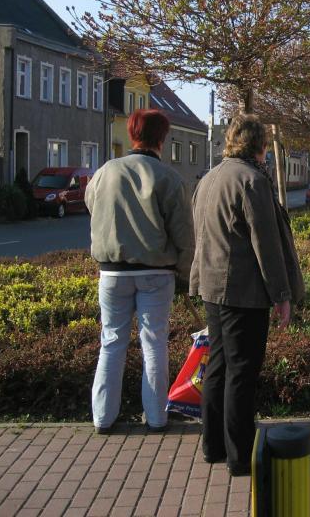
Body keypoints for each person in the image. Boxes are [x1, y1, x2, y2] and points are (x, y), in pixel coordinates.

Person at [189, 114, 305, 477]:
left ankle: (213, 445)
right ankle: (240, 455)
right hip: (243, 291)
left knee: (219, 366)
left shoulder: (209, 178)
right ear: (260, 145)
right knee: (242, 371)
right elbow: (265, 244)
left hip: (211, 288)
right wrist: (282, 294)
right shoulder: (251, 181)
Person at [86, 108, 194, 435]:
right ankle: (157, 418)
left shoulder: (105, 172)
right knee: (154, 344)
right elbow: (184, 235)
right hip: (156, 274)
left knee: (111, 342)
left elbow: (92, 204)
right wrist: (185, 275)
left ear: (132, 134)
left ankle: (103, 418)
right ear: (162, 139)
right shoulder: (168, 178)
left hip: (112, 273)